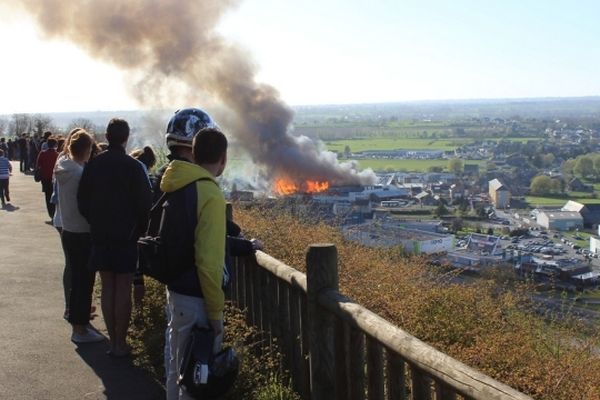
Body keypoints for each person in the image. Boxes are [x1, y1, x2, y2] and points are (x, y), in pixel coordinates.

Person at [160, 127, 229, 400]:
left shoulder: (178, 181)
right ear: (223, 158)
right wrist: (215, 312)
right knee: (197, 379)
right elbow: (209, 261)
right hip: (198, 298)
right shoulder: (209, 193)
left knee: (177, 368)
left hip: (176, 289)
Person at [78, 118, 152, 357]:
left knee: (108, 286)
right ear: (126, 137)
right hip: (126, 236)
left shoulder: (93, 165)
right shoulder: (134, 167)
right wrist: (138, 230)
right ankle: (121, 342)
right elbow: (144, 204)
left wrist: (95, 222)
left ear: (107, 136)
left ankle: (112, 343)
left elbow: (82, 200)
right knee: (123, 289)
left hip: (100, 233)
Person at [55, 130, 104, 343]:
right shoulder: (79, 174)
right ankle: (79, 329)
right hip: (82, 232)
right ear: (87, 150)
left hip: (68, 229)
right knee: (84, 282)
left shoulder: (64, 165)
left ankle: (80, 323)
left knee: (78, 280)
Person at [36, 137, 59, 219]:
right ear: (55, 145)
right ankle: (54, 211)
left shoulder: (42, 153)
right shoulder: (57, 155)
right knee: (55, 194)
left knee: (47, 195)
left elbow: (38, 165)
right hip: (54, 178)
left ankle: (50, 213)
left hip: (44, 177)